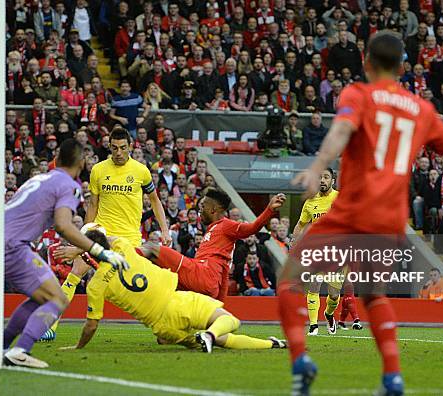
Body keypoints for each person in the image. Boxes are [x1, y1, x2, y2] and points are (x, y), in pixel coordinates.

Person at [278, 31, 443, 396]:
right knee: (374, 295)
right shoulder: (423, 110)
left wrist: (318, 163)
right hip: (389, 220)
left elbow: (341, 130)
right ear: (402, 67)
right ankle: (392, 378)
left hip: (351, 210)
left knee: (290, 276)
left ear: (366, 62)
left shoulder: (358, 94)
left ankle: (301, 358)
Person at [2, 139, 128, 368]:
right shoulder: (68, 185)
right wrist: (98, 250)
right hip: (12, 244)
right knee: (58, 298)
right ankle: (20, 350)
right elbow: (63, 225)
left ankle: (0, 347)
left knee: (41, 297)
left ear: (57, 159)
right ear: (81, 163)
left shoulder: (40, 178)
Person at [64, 228, 287, 353]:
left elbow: (92, 324)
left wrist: (78, 346)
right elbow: (108, 238)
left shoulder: (95, 285)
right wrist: (81, 246)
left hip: (163, 329)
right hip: (176, 302)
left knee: (219, 341)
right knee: (229, 322)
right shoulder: (122, 246)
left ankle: (271, 343)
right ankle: (209, 334)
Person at [41, 127, 170, 342]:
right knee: (75, 273)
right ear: (109, 147)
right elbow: (93, 203)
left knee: (141, 285)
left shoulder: (141, 171)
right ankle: (50, 326)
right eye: (114, 148)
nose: (118, 153)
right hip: (101, 231)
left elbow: (155, 200)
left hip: (129, 238)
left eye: (123, 148)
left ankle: (166, 327)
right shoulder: (99, 170)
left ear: (130, 147)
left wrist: (164, 230)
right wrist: (86, 233)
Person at [138, 189, 285, 302]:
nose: (199, 210)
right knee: (168, 291)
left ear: (213, 209)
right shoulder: (214, 230)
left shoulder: (226, 225)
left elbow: (252, 228)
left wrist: (269, 210)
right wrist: (219, 302)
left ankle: (119, 257)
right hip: (206, 283)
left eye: (203, 206)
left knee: (153, 249)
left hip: (201, 274)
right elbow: (223, 269)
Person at [291, 168, 351, 335]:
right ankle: (313, 325)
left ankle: (329, 314)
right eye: (320, 177)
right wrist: (293, 242)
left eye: (326, 177)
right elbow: (301, 224)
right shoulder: (310, 201)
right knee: (314, 284)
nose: (322, 180)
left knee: (333, 295)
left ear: (333, 180)